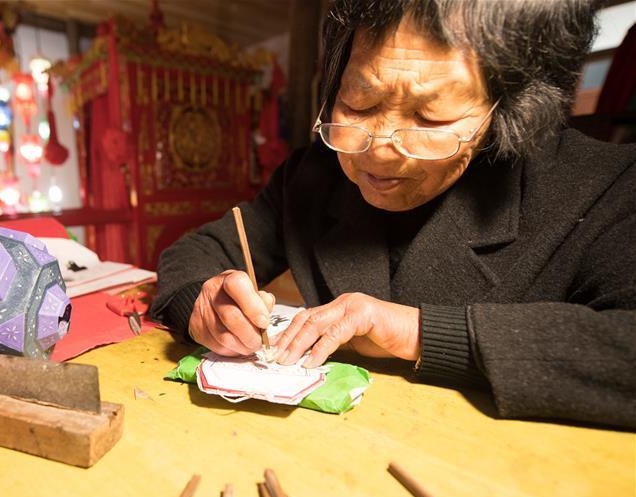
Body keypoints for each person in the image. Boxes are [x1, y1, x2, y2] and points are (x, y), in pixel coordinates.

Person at [150, 0, 636, 429]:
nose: (379, 152)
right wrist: (201, 303)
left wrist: (419, 332)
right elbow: (199, 249)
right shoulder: (313, 177)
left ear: (509, 106)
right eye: (358, 103)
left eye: (431, 119)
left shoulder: (606, 188)